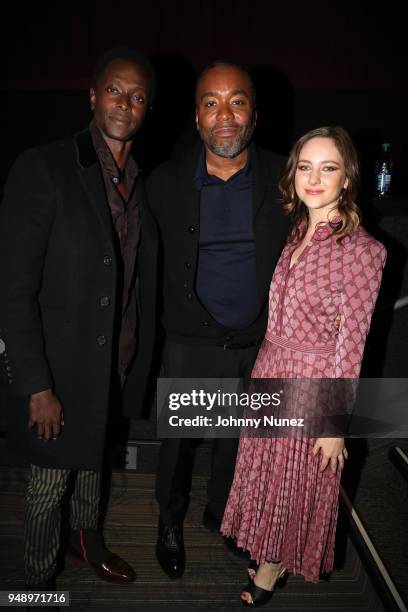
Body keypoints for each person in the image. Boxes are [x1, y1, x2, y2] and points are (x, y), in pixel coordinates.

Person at [0, 47, 157, 590]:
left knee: (93, 465)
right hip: (57, 373)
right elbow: (13, 289)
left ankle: (87, 539)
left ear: (147, 108)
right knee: (48, 488)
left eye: (138, 95)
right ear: (93, 96)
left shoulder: (140, 185)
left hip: (111, 364)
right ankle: (35, 586)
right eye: (114, 90)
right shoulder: (43, 167)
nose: (125, 102)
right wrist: (36, 385)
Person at [220, 126, 387, 606]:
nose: (314, 178)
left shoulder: (362, 252)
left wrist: (335, 423)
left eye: (328, 167)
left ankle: (271, 572)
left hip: (312, 384)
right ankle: (271, 551)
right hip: (272, 368)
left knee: (295, 482)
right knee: (270, 476)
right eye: (305, 166)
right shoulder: (297, 230)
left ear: (347, 178)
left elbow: (350, 344)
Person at [147, 61, 288, 578]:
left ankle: (221, 515)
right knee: (178, 446)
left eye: (237, 101)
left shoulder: (287, 177)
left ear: (255, 113)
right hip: (188, 339)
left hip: (258, 341)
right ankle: (168, 521)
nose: (224, 114)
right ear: (196, 117)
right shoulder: (163, 181)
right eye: (211, 102)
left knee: (239, 441)